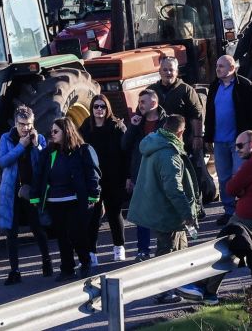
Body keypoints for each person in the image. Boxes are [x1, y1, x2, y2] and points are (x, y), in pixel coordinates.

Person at [179, 129, 252, 303]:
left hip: (251, 222)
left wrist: (242, 191)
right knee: (233, 245)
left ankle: (205, 289)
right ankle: (210, 292)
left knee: (222, 245)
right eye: (236, 146)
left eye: (240, 146)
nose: (237, 150)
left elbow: (229, 189)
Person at [127, 115, 201, 303]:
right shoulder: (169, 153)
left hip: (158, 208)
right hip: (168, 213)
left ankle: (176, 289)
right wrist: (187, 214)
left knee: (173, 249)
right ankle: (165, 291)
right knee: (169, 252)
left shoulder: (154, 142)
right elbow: (174, 189)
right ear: (181, 132)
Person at [35, 117, 102, 281]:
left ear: (67, 132)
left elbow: (93, 174)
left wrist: (94, 195)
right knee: (62, 236)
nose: (52, 134)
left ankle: (85, 263)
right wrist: (36, 197)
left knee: (76, 234)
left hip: (75, 201)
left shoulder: (83, 150)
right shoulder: (49, 152)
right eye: (52, 131)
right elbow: (40, 176)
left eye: (56, 131)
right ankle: (67, 268)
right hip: (54, 202)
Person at [205, 54, 252, 225]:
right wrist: (208, 136)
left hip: (240, 142)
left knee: (239, 176)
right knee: (223, 178)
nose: (217, 69)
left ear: (232, 68)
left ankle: (242, 210)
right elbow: (209, 112)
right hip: (220, 140)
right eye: (216, 66)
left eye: (221, 66)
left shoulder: (245, 86)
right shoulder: (215, 86)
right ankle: (229, 211)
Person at [0, 107, 53, 284]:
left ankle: (47, 262)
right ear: (15, 124)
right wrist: (21, 146)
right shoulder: (6, 138)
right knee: (11, 232)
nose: (25, 129)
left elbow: (44, 162)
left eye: (28, 125)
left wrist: (36, 145)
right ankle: (14, 271)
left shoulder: (39, 138)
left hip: (31, 191)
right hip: (12, 191)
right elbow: (3, 161)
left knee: (37, 227)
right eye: (22, 125)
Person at [80, 97, 128, 264]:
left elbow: (125, 154)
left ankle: (119, 247)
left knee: (115, 214)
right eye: (95, 106)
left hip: (114, 178)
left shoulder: (117, 127)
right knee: (93, 216)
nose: (99, 110)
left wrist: (127, 177)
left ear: (108, 109)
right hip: (94, 179)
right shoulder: (86, 127)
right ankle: (91, 253)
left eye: (102, 106)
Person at [149, 56, 205, 185]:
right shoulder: (152, 90)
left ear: (177, 72)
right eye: (165, 69)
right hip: (159, 142)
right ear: (159, 71)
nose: (168, 73)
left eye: (171, 70)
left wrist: (197, 137)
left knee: (186, 177)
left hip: (182, 142)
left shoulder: (186, 90)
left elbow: (196, 115)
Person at [124, 89, 164, 261]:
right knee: (142, 214)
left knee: (162, 213)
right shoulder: (137, 123)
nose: (139, 106)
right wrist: (132, 126)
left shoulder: (165, 122)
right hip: (140, 173)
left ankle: (164, 248)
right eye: (139, 102)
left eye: (143, 102)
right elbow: (125, 146)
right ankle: (143, 250)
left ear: (154, 103)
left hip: (160, 174)